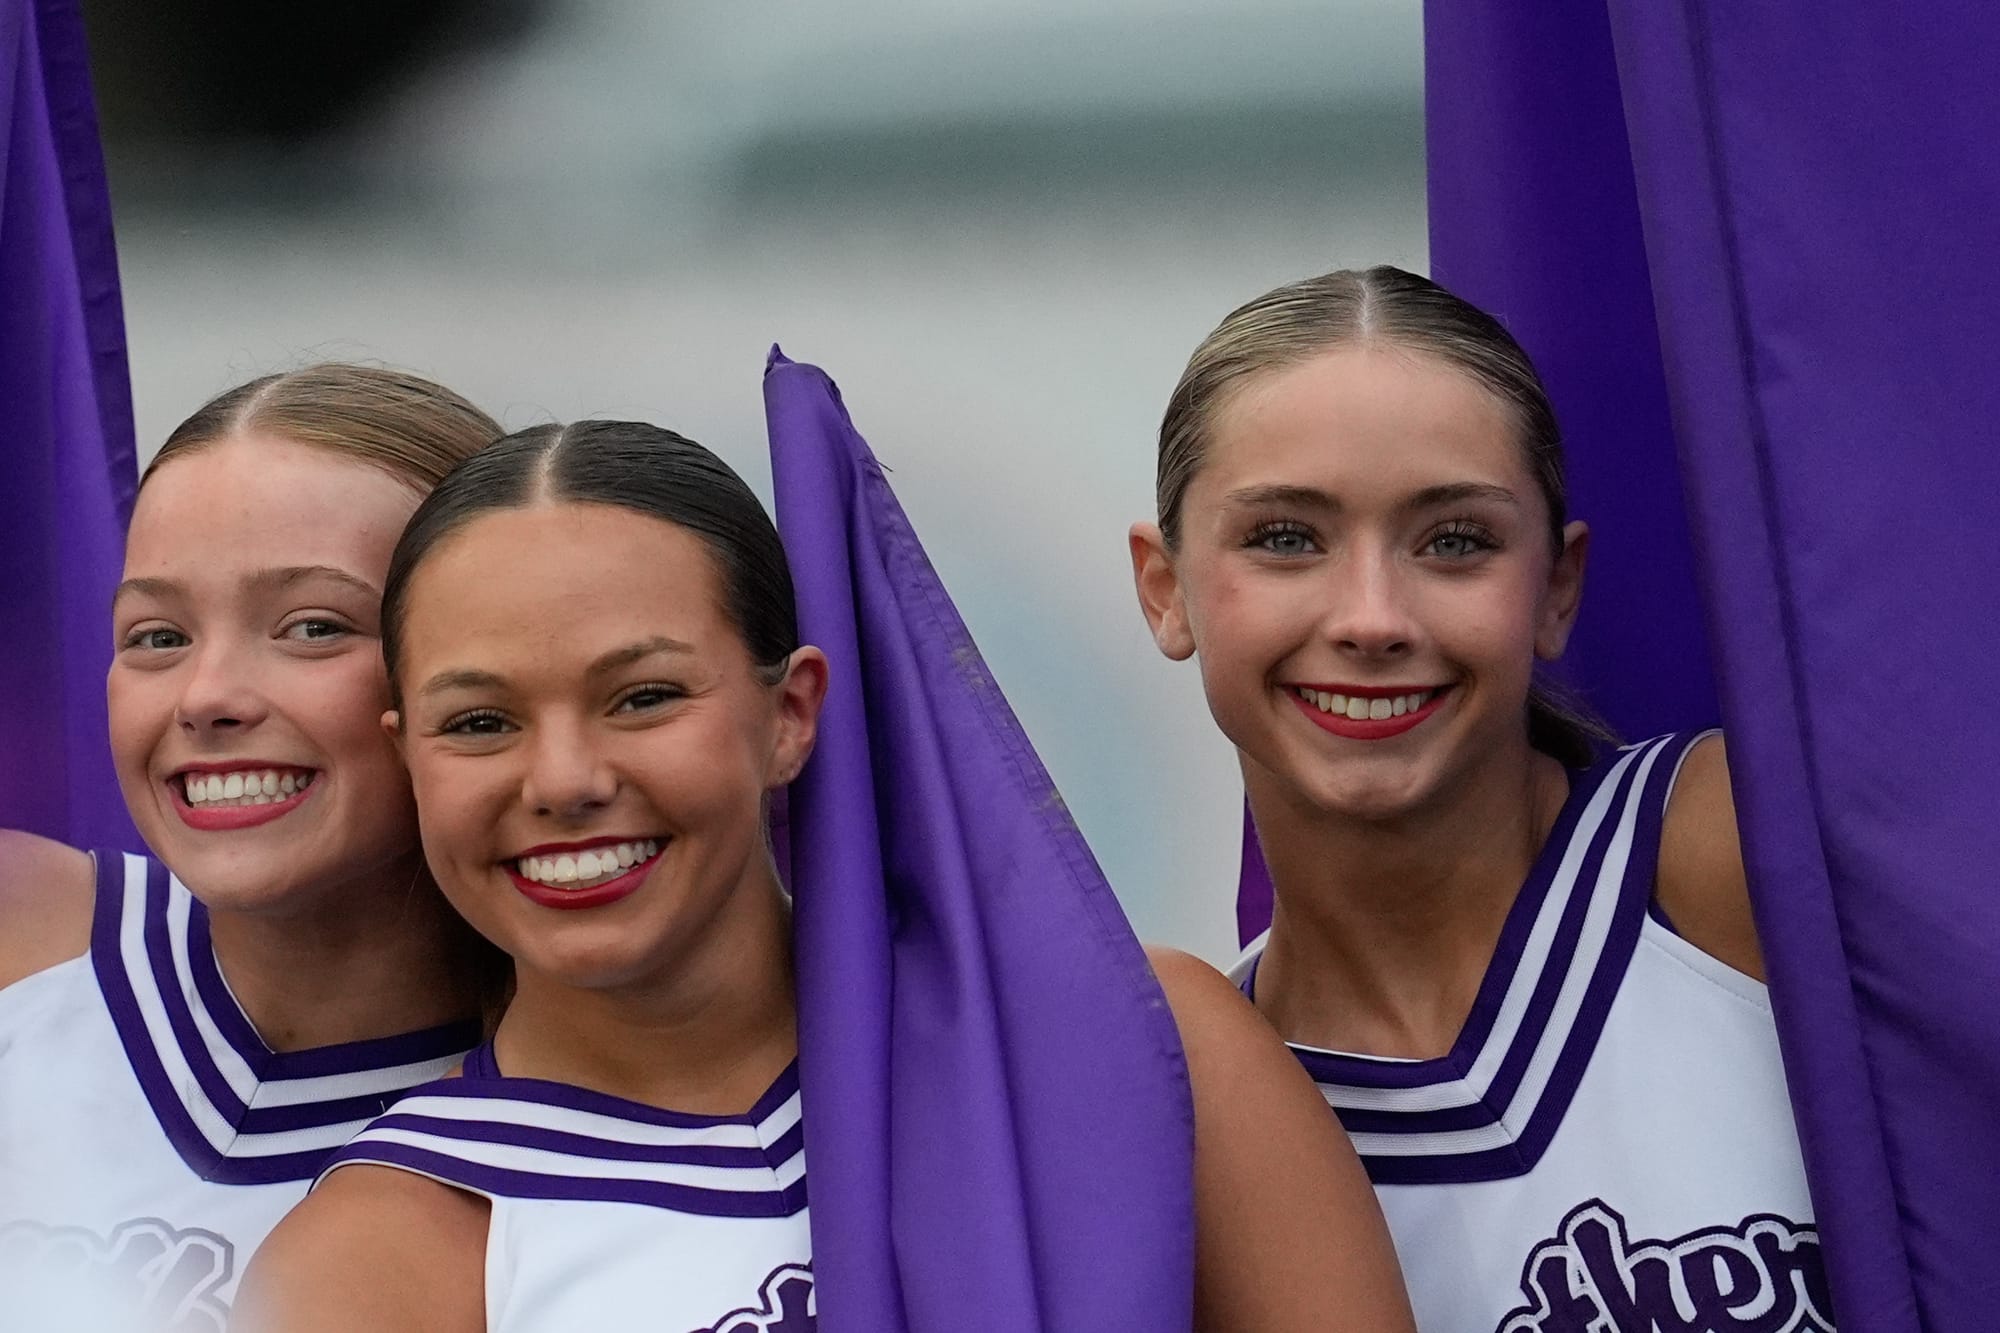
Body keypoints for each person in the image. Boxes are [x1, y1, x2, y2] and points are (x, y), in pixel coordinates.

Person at [237, 420, 1415, 1332]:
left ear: (790, 712)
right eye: (480, 723)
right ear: (406, 755)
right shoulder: (376, 1260)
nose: (565, 780)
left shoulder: (1138, 1041)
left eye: (643, 697)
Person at [1127, 267, 1831, 1331]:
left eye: (1453, 541)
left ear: (1556, 586)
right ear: (1164, 589)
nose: (1371, 619)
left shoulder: (1727, 850)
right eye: (1285, 538)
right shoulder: (1198, 1124)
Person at [0, 365, 505, 1329]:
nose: (206, 697)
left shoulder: (560, 1144)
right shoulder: (23, 939)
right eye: (157, 636)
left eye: (313, 627)